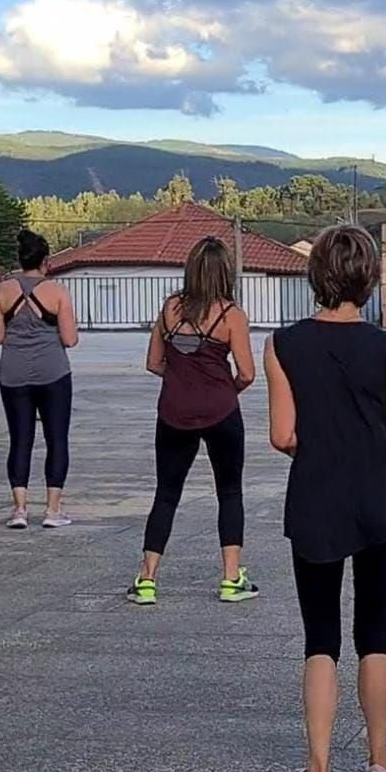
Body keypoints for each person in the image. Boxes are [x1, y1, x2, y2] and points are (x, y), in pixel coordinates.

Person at [265, 225, 386, 772]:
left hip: (315, 496)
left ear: (315, 276)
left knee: (320, 636)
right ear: (369, 281)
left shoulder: (282, 345)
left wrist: (323, 454)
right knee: (375, 631)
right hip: (376, 500)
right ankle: (379, 765)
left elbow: (282, 435)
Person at [128, 237, 259, 605]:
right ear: (224, 273)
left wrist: (183, 380)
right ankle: (232, 579)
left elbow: (154, 363)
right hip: (222, 412)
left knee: (166, 494)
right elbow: (247, 373)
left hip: (173, 412)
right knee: (229, 492)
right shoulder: (232, 315)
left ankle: (147, 579)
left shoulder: (170, 309)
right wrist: (222, 388)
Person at [0, 228, 79, 529]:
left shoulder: (2, 291)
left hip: (13, 374)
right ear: (46, 261)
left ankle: (19, 509)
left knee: (20, 440)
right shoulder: (57, 292)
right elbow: (70, 339)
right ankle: (53, 510)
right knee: (57, 439)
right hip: (53, 372)